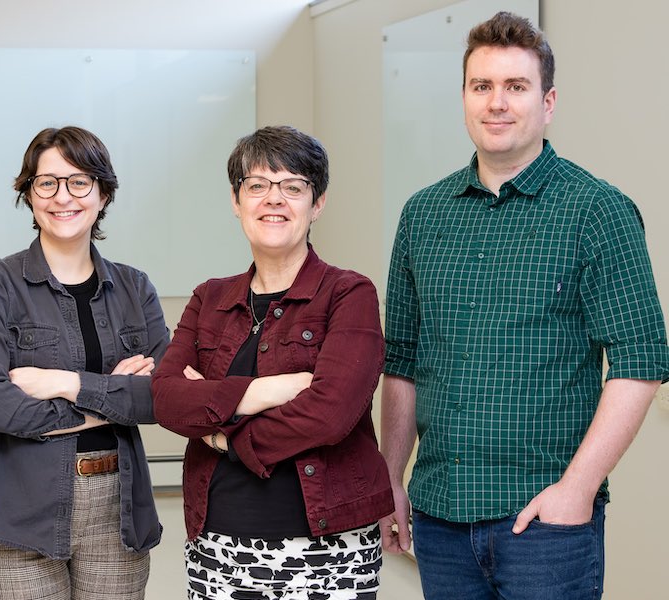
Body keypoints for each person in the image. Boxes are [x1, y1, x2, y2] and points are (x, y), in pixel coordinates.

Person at [380, 12, 669, 600]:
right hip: (440, 517)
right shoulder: (423, 214)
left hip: (547, 524)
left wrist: (578, 489)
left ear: (549, 100)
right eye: (481, 86)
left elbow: (641, 361)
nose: (497, 103)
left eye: (516, 87)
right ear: (463, 97)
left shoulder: (597, 211)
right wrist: (391, 478)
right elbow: (402, 362)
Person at [151, 125, 393, 599]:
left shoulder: (349, 293)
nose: (273, 200)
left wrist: (226, 436)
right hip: (218, 545)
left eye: (293, 187)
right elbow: (166, 398)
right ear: (237, 201)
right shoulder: (209, 297)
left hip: (328, 552)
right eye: (257, 186)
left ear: (317, 203)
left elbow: (330, 414)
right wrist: (265, 391)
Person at [0, 126, 168, 600]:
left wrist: (64, 382)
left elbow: (163, 397)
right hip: (17, 517)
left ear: (103, 192)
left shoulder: (137, 289)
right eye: (46, 182)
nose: (62, 197)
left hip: (118, 514)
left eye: (79, 182)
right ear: (28, 195)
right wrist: (107, 401)